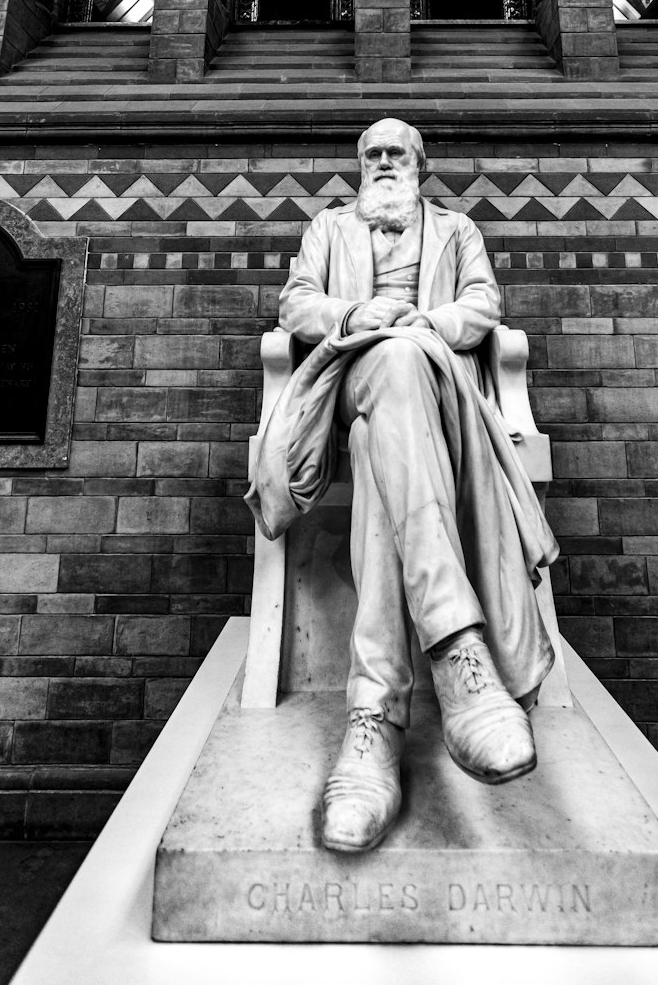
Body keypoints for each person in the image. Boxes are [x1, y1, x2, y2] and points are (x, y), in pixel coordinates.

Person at [246, 118, 558, 854]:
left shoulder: (455, 229)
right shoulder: (329, 227)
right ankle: (460, 655)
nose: (385, 164)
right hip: (352, 370)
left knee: (396, 398)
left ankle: (374, 724)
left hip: (433, 383)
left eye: (397, 154)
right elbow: (296, 304)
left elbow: (484, 305)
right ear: (360, 167)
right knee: (388, 367)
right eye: (373, 155)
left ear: (422, 164)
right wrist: (358, 316)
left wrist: (429, 322)